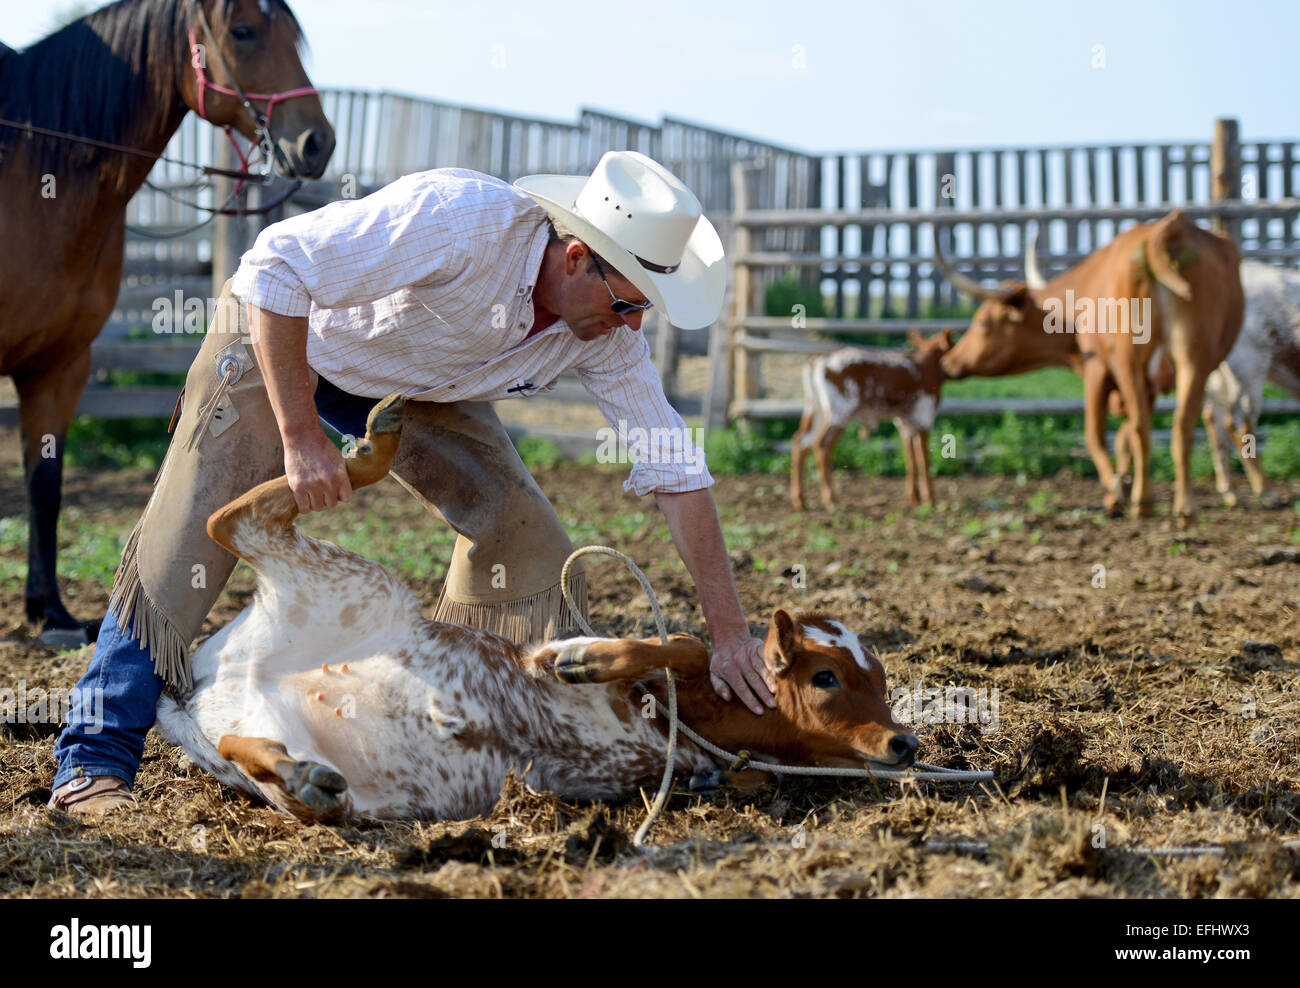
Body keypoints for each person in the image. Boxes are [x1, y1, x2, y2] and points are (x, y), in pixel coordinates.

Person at [48, 150, 775, 813]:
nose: (631, 327)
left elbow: (675, 467)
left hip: (401, 383)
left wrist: (730, 632)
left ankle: (448, 716)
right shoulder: (462, 220)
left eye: (643, 310)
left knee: (522, 532)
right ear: (578, 257)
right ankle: (93, 759)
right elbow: (276, 268)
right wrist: (300, 436)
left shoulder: (607, 334)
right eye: (626, 303)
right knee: (188, 541)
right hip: (281, 336)